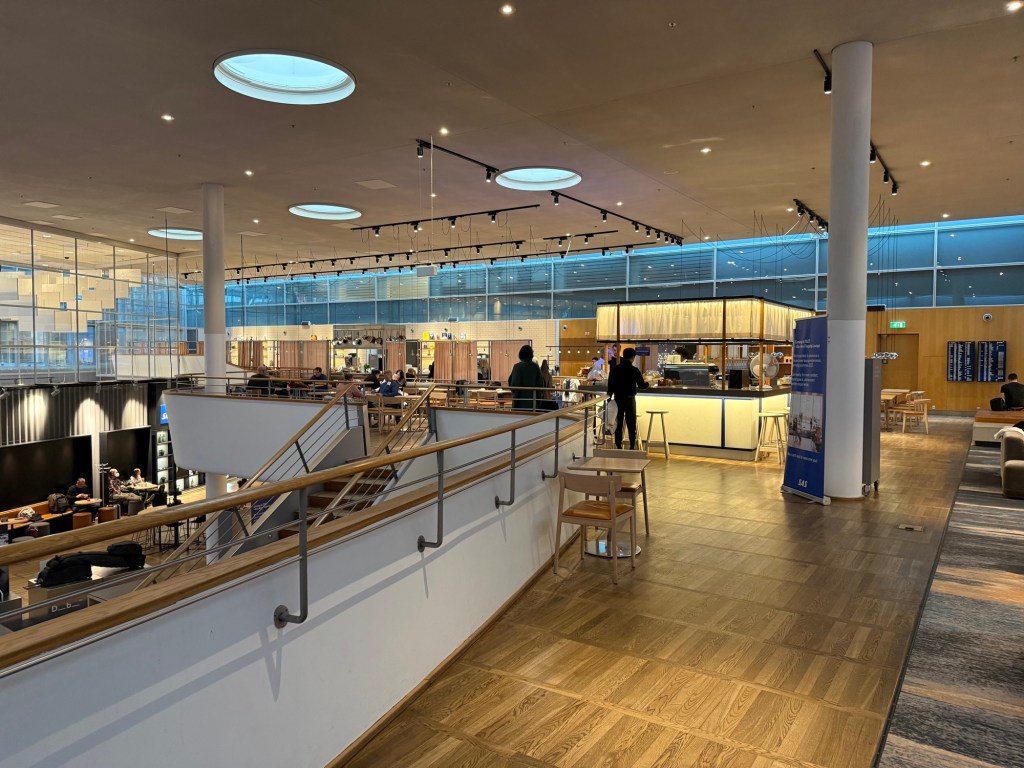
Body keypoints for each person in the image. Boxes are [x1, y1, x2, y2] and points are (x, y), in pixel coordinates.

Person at [607, 347, 649, 449]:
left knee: (619, 423)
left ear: (624, 355)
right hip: (630, 400)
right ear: (633, 357)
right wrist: (648, 383)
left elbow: (610, 386)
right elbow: (642, 386)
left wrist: (609, 398)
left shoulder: (614, 369)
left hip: (618, 399)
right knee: (631, 423)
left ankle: (618, 445)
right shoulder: (634, 370)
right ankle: (631, 446)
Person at [508, 344, 545, 410]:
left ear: (521, 354)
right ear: (531, 354)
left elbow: (513, 384)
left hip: (519, 402)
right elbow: (541, 384)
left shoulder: (517, 367)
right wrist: (539, 401)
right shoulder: (535, 367)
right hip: (533, 403)